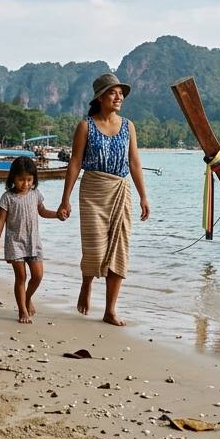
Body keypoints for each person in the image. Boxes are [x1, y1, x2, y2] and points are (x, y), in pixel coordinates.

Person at [56, 73, 150, 326]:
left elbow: (134, 162)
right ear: (100, 97)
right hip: (93, 191)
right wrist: (65, 199)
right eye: (113, 92)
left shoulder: (128, 126)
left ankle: (110, 310)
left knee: (119, 249)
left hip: (120, 189)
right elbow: (75, 163)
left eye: (121, 93)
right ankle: (87, 282)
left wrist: (143, 196)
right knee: (95, 249)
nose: (119, 96)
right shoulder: (85, 125)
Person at [0, 156, 59, 324]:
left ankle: (27, 298)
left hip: (33, 241)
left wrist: (57, 215)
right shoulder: (7, 197)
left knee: (38, 275)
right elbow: (1, 221)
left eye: (29, 179)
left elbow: (42, 211)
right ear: (13, 178)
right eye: (21, 180)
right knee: (21, 277)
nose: (26, 183)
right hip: (14, 242)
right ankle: (22, 311)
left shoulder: (35, 194)